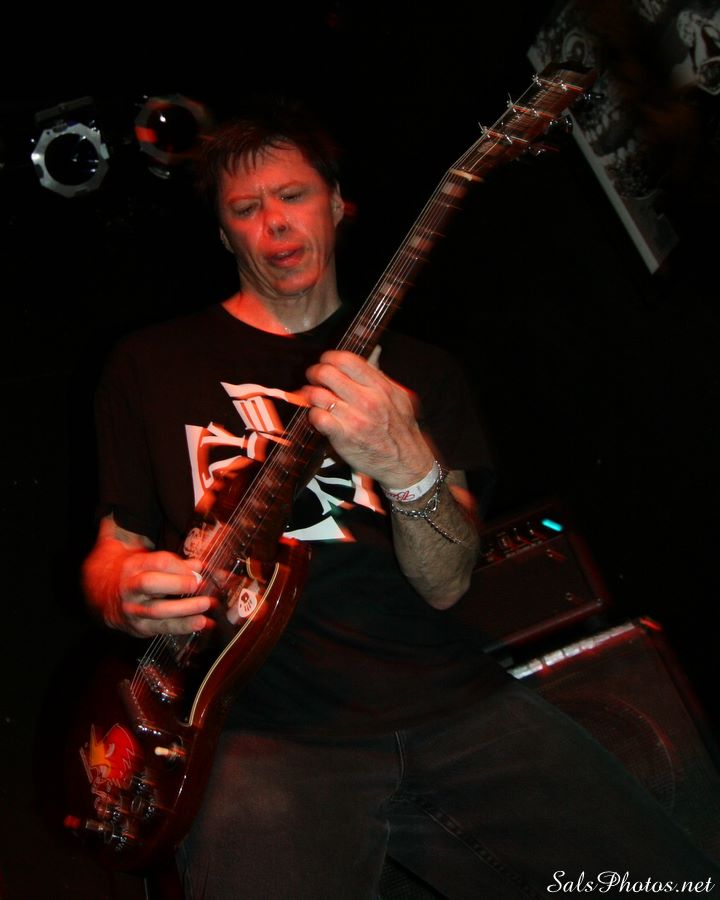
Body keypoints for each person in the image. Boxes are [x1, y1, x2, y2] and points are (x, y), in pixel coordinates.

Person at [83, 107, 719, 899]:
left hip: (450, 699)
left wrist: (407, 467)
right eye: (246, 208)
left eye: (293, 196)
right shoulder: (148, 364)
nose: (274, 222)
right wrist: (123, 591)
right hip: (259, 731)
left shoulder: (425, 372)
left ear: (335, 204)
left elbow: (449, 582)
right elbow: (113, 551)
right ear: (224, 234)